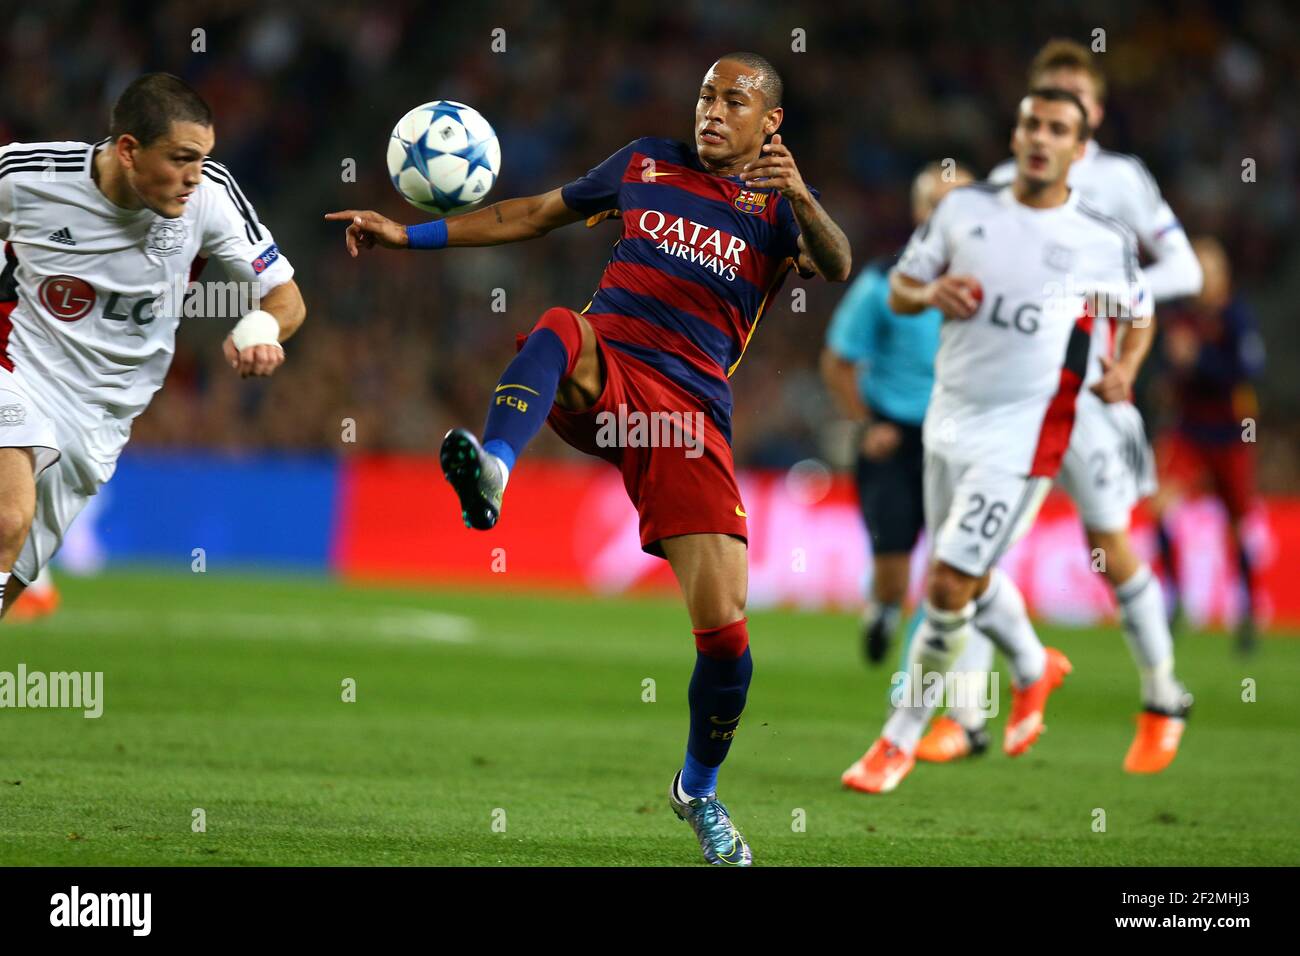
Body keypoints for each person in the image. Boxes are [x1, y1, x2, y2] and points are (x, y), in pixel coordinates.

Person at [326, 53, 851, 865]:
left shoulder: (781, 208)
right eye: (706, 93)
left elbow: (838, 263)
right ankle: (494, 470)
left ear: (769, 122)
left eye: (734, 100)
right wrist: (408, 235)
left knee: (727, 644)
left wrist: (803, 195)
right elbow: (528, 215)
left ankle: (697, 792)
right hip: (607, 369)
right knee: (559, 325)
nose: (712, 110)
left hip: (689, 421)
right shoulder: (646, 161)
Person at [841, 88, 1152, 794]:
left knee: (947, 580)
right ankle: (1036, 667)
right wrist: (930, 294)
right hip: (947, 422)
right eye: (1031, 124)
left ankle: (898, 739)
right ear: (1015, 136)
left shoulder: (1098, 238)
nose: (1041, 138)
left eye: (1059, 129)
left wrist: (1125, 369)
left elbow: (1139, 314)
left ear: (1080, 148)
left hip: (1025, 434)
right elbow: (901, 291)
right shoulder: (965, 214)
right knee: (969, 576)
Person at [920, 39, 1199, 774]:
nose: (1053, 119)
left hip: (1096, 399)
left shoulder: (1123, 181)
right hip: (1017, 400)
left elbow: (1185, 269)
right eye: (1045, 100)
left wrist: (1113, 309)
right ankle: (967, 715)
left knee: (1112, 545)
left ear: (1094, 113)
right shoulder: (1008, 184)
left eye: (1072, 99)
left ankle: (1163, 695)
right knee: (974, 552)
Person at [0, 72, 305, 618]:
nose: (194, 177)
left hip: (102, 419)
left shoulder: (210, 199)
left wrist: (260, 329)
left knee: (13, 578)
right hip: (17, 365)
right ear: (128, 150)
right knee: (7, 518)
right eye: (181, 158)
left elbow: (285, 295)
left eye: (203, 158)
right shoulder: (31, 177)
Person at [821, 162, 973, 667]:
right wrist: (867, 424)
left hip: (959, 439)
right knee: (893, 568)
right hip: (895, 438)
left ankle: (922, 675)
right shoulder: (882, 283)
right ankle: (884, 610)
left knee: (951, 568)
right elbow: (838, 360)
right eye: (938, 204)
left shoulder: (995, 284)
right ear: (919, 212)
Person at [1153, 236, 1264, 652]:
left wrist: (1198, 359)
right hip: (1188, 431)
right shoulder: (1180, 317)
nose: (1201, 281)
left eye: (1209, 272)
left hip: (1231, 434)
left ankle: (1248, 610)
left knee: (1236, 525)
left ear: (1223, 277)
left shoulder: (1237, 316)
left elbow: (1249, 369)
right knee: (1161, 505)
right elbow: (1172, 369)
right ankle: (1175, 597)